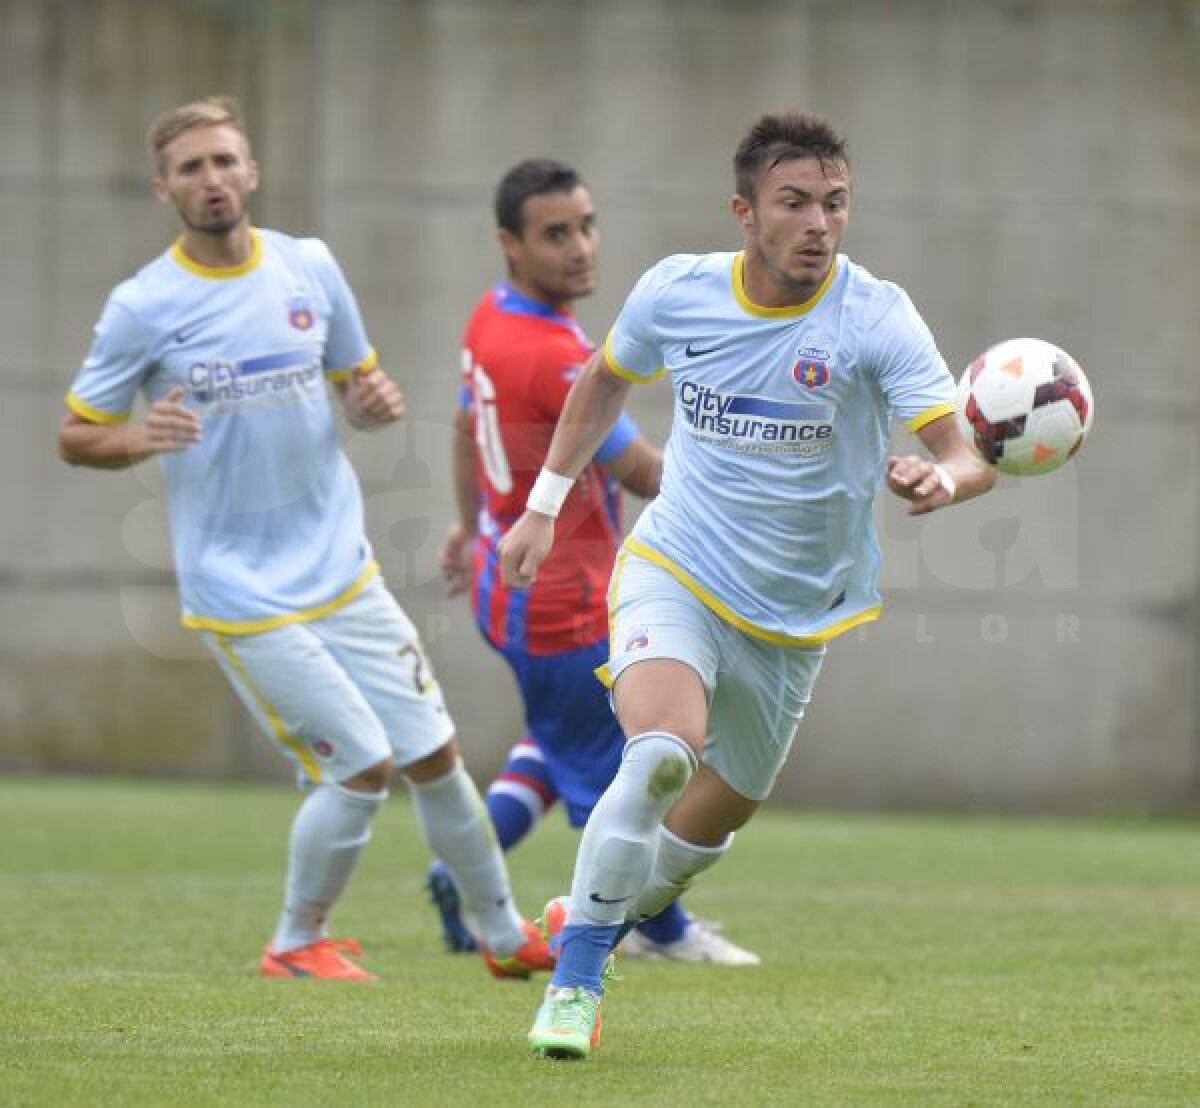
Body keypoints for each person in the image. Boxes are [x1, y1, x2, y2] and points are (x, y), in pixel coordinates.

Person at [500, 112, 996, 1058]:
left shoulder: (875, 315)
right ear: (745, 211)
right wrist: (544, 505)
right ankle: (574, 989)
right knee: (660, 754)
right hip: (675, 566)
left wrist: (947, 479)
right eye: (795, 202)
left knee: (701, 831)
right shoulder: (676, 294)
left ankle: (587, 919)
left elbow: (963, 448)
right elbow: (604, 380)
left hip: (796, 615)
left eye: (835, 203)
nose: (820, 223)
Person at [57, 96, 552, 983]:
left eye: (224, 162)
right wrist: (138, 437)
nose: (211, 180)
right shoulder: (144, 305)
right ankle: (294, 942)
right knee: (360, 766)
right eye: (191, 168)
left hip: (343, 571)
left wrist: (372, 404)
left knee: (435, 756)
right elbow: (75, 432)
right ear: (162, 188)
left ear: (251, 171)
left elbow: (359, 382)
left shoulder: (308, 267)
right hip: (242, 591)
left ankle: (504, 935)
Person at [428, 157, 760, 966]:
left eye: (587, 225)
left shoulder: (490, 317)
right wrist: (749, 458)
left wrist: (470, 523)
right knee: (631, 766)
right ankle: (660, 929)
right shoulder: (552, 355)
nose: (581, 247)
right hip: (559, 601)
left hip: (502, 579)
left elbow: (462, 423)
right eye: (556, 234)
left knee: (553, 741)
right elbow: (644, 472)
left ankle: (457, 871)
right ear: (510, 244)